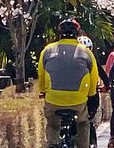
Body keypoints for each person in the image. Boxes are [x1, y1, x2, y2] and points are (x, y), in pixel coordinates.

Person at [38, 19, 99, 148]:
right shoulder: (87, 53)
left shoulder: (47, 51)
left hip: (53, 100)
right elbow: (94, 79)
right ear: (77, 34)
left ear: (59, 33)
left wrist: (43, 91)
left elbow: (41, 76)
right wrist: (91, 93)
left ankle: (52, 144)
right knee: (83, 123)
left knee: (53, 124)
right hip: (78, 101)